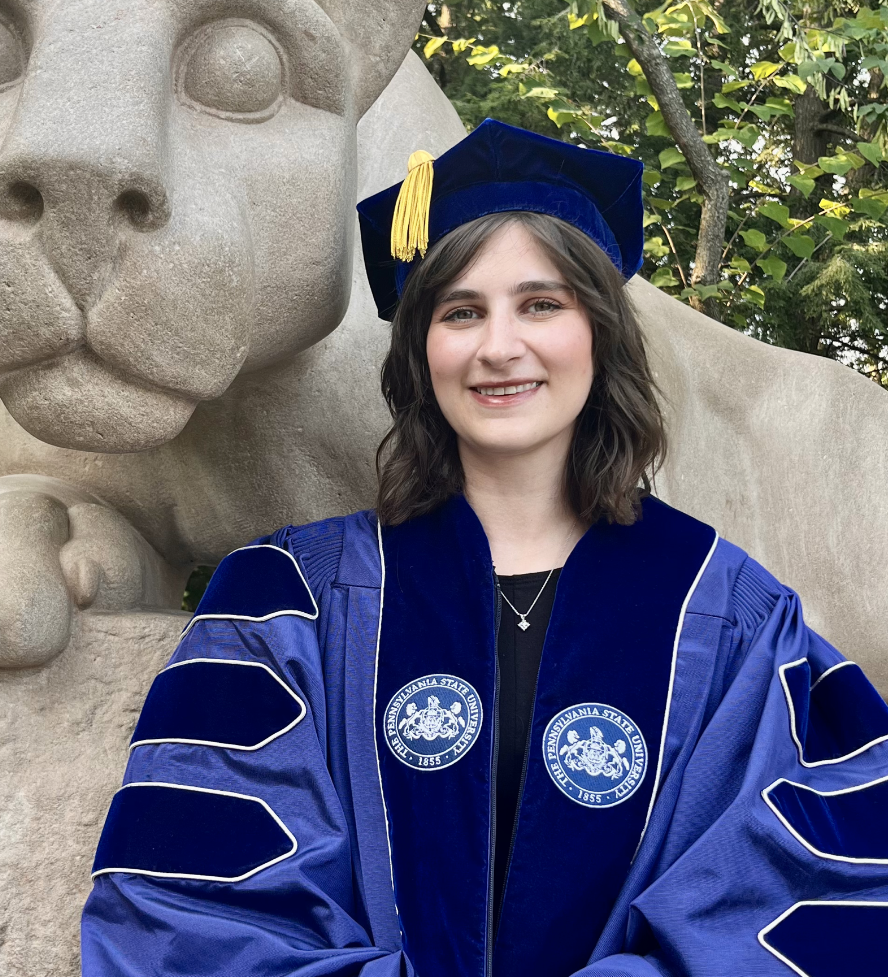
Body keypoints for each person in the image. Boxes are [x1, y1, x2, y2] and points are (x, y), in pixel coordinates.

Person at [80, 120, 888, 976]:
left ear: (599, 334)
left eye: (541, 304)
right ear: (423, 352)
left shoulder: (726, 608)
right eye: (461, 312)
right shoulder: (293, 600)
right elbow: (186, 909)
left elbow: (807, 890)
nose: (500, 347)